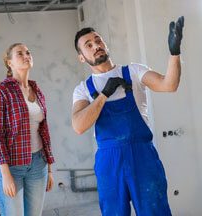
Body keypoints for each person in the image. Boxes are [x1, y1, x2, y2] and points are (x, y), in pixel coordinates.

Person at [72, 16, 184, 215]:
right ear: (81, 57)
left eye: (98, 40)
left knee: (155, 211)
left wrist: (174, 53)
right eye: (88, 45)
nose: (96, 45)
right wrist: (103, 95)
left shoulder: (133, 71)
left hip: (143, 156)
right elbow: (79, 126)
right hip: (109, 161)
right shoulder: (83, 90)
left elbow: (169, 85)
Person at [0, 43, 55, 216]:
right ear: (9, 63)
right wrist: (5, 174)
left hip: (38, 163)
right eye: (20, 53)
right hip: (11, 167)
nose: (26, 55)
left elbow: (44, 131)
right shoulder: (0, 91)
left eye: (28, 52)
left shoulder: (37, 91)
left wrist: (48, 169)